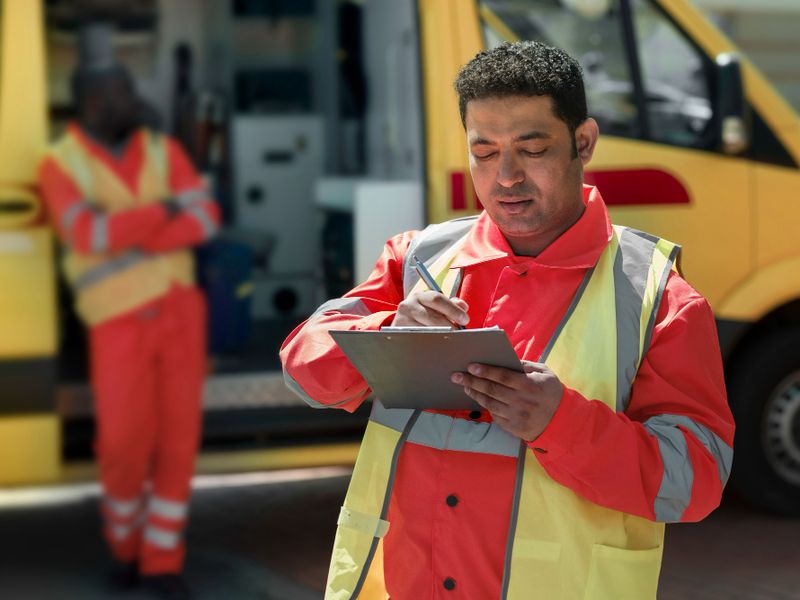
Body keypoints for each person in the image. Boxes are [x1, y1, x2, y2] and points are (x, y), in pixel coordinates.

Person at [281, 41, 735, 599]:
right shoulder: (417, 259)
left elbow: (697, 483)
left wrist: (562, 422)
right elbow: (303, 370)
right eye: (485, 152)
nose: (506, 176)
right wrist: (389, 332)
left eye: (532, 148)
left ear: (584, 142)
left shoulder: (660, 298)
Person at [38, 27, 218, 600]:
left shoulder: (163, 151)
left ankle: (162, 561)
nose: (135, 103)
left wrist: (130, 230)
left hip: (179, 314)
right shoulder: (60, 162)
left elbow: (205, 219)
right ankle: (125, 549)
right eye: (122, 94)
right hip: (117, 323)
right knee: (122, 446)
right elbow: (85, 234)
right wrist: (160, 216)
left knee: (177, 442)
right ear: (94, 102)